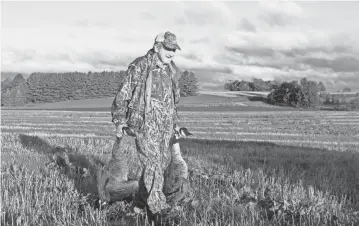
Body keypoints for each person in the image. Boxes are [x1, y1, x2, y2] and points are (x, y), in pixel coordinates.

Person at [110, 31, 190, 218]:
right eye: (168, 48)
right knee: (153, 163)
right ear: (157, 47)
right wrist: (120, 120)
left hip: (165, 128)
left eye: (174, 49)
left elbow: (172, 103)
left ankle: (139, 202)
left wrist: (175, 126)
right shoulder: (140, 66)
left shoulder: (171, 71)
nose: (171, 53)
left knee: (159, 166)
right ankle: (158, 209)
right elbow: (123, 94)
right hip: (144, 125)